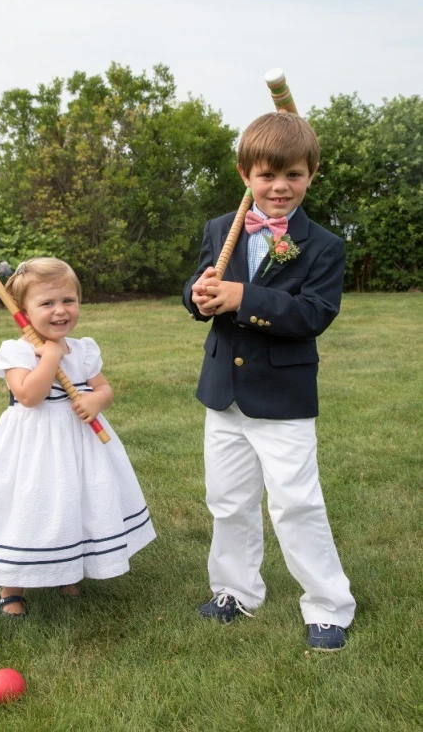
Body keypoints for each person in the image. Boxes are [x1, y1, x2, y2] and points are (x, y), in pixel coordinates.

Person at [182, 112, 355, 650]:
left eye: (294, 176)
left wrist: (244, 298)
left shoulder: (323, 245)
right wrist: (198, 294)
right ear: (244, 174)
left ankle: (328, 606)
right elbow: (199, 292)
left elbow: (314, 315)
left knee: (296, 502)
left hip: (283, 398)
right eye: (266, 175)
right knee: (227, 500)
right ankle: (235, 590)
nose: (279, 187)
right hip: (224, 395)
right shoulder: (220, 229)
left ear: (312, 174)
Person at [0, 257, 155, 616]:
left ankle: (67, 567)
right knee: (33, 507)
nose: (60, 311)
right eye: (47, 303)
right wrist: (50, 357)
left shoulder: (86, 348)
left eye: (68, 300)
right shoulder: (16, 351)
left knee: (77, 501)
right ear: (23, 311)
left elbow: (104, 389)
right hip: (34, 450)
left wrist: (96, 399)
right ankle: (11, 587)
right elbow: (29, 396)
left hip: (80, 445)